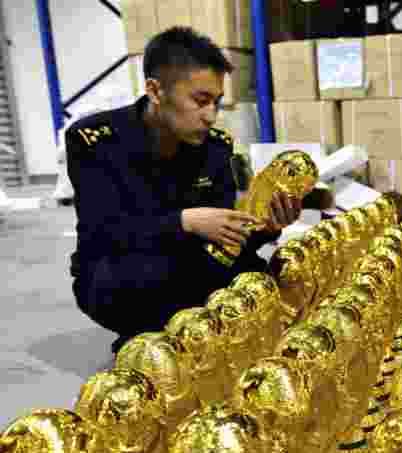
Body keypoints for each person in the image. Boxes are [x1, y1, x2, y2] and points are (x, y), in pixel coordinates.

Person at [68, 27, 309, 354]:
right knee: (142, 275)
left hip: (187, 263)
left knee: (258, 274)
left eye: (217, 102)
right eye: (200, 101)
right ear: (155, 91)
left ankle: (190, 330)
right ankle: (145, 336)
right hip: (121, 271)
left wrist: (267, 226)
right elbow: (105, 231)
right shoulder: (97, 140)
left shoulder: (215, 148)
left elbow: (225, 239)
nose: (211, 116)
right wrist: (184, 221)